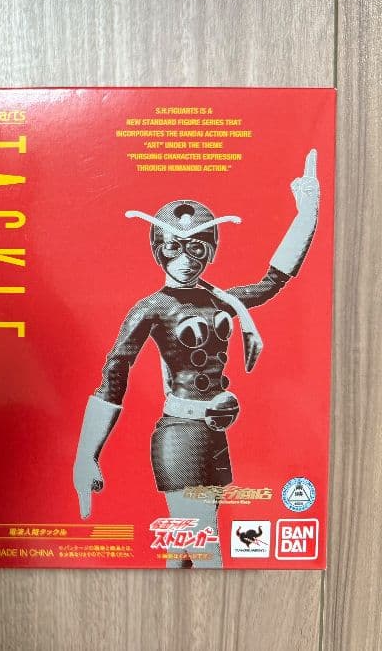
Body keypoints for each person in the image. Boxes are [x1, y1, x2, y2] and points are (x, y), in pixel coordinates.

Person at [73, 150, 320, 568]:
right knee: (206, 550)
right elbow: (115, 372)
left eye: (198, 249)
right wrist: (86, 455)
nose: (186, 260)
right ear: (159, 249)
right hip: (181, 434)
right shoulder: (152, 308)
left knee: (185, 551)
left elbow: (272, 282)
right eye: (173, 248)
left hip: (213, 435)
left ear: (211, 250)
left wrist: (307, 214)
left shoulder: (222, 301)